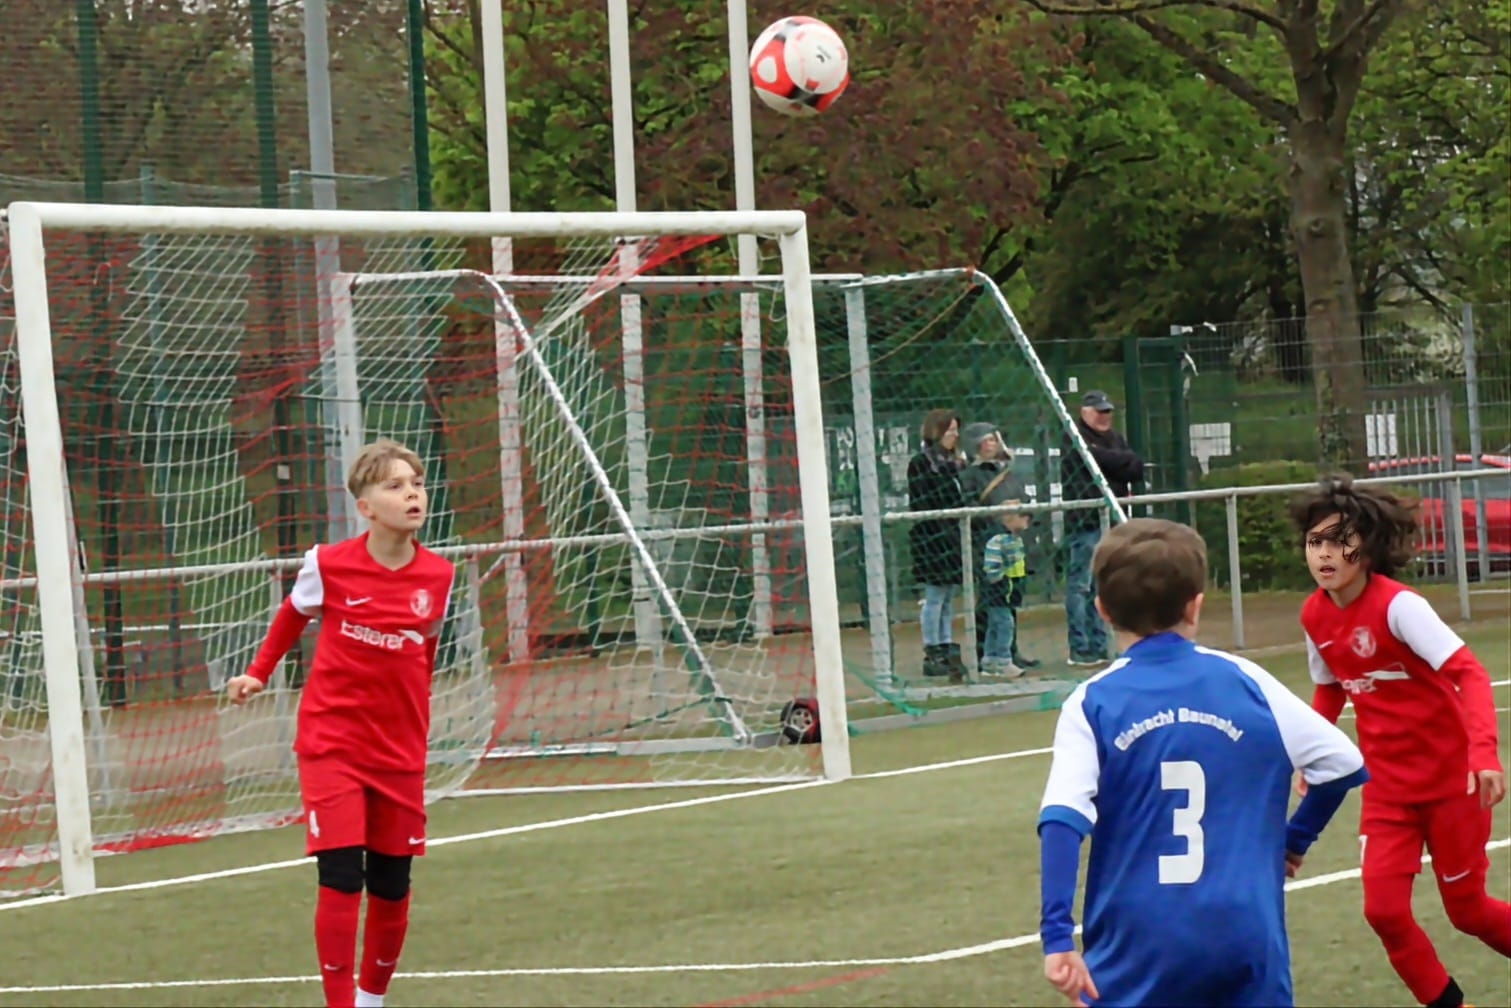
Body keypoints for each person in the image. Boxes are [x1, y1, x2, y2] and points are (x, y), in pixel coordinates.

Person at [1038, 518, 1367, 1007]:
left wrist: (1057, 936)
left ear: (1102, 609)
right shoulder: (1247, 681)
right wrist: (1294, 840)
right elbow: (1341, 764)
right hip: (1243, 932)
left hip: (1138, 939)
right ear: (1196, 605)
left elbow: (1062, 819)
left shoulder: (1093, 702)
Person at [225, 440, 455, 1008]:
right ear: (365, 507)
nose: (412, 494)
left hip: (399, 750)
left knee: (392, 884)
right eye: (395, 486)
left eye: (417, 483)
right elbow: (292, 614)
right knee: (342, 874)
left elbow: (422, 656)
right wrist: (257, 672)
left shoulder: (439, 576)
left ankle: (371, 1000)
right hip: (332, 742)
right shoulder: (328, 564)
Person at [1292, 474, 1509, 1008]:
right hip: (1387, 790)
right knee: (1383, 911)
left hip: (1451, 783)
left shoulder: (1399, 607)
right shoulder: (1314, 614)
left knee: (1468, 911)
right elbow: (1330, 690)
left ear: (1367, 548)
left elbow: (1469, 674)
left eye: (1340, 541)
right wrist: (1309, 756)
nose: (1325, 554)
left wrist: (1483, 753)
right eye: (1316, 542)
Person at [1060, 390, 1144, 667]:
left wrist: (1110, 459)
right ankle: (1080, 647)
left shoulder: (1116, 438)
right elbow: (1092, 460)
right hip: (1085, 522)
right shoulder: (1074, 436)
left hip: (1112, 522)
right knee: (1081, 584)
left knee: (1105, 584)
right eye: (1099, 412)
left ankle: (1101, 643)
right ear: (1085, 412)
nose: (1104, 417)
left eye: (1107, 411)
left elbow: (1134, 467)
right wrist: (1114, 460)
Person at [959, 422, 1040, 672]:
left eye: (993, 439)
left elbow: (1025, 500)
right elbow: (969, 507)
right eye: (985, 441)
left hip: (1011, 540)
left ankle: (1009, 650)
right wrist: (998, 513)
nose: (990, 445)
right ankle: (986, 652)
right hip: (987, 541)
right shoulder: (970, 475)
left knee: (1009, 595)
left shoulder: (1008, 471)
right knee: (990, 599)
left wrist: (1020, 514)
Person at [907, 409, 967, 681]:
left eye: (955, 430)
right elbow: (926, 499)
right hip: (932, 536)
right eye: (949, 431)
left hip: (951, 535)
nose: (954, 436)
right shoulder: (923, 462)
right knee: (934, 596)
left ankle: (945, 643)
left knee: (947, 596)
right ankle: (932, 648)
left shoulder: (953, 462)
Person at [980, 505, 1031, 678]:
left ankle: (990, 661)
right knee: (1004, 624)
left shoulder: (1015, 539)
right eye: (1022, 515)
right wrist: (1001, 582)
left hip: (1009, 590)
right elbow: (991, 567)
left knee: (996, 624)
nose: (1027, 519)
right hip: (999, 591)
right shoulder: (998, 539)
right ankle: (1003, 661)